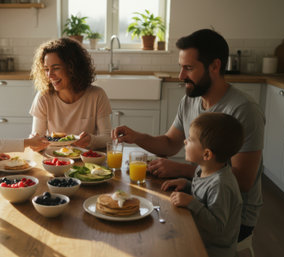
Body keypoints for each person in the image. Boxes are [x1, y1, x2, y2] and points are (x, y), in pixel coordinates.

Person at [112, 29, 265, 241]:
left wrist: (182, 170)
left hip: (231, 218)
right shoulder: (191, 100)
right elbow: (170, 144)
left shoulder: (244, 110)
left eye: (189, 68)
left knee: (158, 234)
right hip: (199, 195)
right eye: (181, 67)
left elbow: (243, 180)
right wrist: (136, 136)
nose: (181, 76)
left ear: (214, 66)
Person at [161, 112, 243, 257]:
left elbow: (218, 227)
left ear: (207, 154)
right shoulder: (203, 168)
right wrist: (186, 184)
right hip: (197, 235)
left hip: (212, 250)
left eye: (191, 140)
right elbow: (202, 194)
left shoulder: (221, 185)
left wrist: (191, 202)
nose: (185, 141)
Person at [29, 37, 112, 151]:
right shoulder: (44, 97)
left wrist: (91, 140)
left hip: (86, 161)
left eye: (56, 68)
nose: (50, 75)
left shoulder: (97, 95)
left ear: (72, 68)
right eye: (46, 69)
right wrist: (34, 142)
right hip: (55, 162)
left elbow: (108, 138)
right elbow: (35, 140)